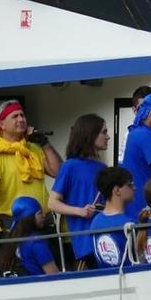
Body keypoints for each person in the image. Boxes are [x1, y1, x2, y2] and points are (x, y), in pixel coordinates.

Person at [0, 99, 60, 233]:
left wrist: (45, 144)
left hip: (44, 222)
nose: (21, 119)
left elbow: (58, 173)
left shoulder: (32, 148)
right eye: (15, 116)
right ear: (2, 124)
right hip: (15, 225)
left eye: (22, 115)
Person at [49, 113, 111, 268]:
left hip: (105, 238)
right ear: (90, 135)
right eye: (104, 132)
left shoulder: (103, 168)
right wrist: (79, 211)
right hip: (84, 243)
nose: (108, 137)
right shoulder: (70, 166)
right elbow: (52, 203)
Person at [85, 166, 139, 267]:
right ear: (117, 190)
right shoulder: (129, 225)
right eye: (130, 185)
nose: (134, 188)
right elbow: (139, 262)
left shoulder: (96, 222)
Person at [3, 196, 62, 276]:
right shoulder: (37, 242)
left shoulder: (13, 239)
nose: (44, 215)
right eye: (40, 213)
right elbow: (54, 274)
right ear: (29, 218)